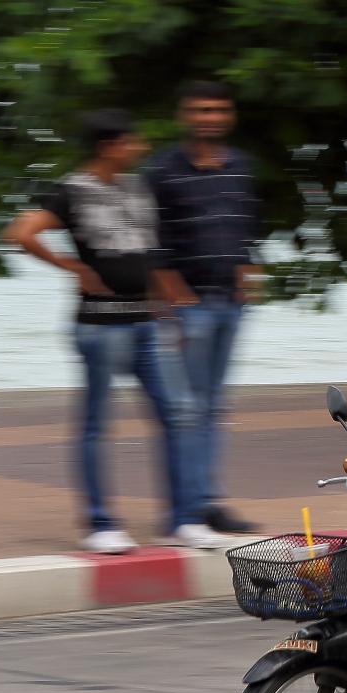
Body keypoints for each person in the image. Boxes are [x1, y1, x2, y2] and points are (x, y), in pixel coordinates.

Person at [2, 110, 227, 554]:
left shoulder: (137, 188)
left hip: (147, 325)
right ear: (107, 146)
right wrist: (71, 266)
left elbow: (151, 257)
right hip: (100, 327)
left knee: (178, 415)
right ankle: (100, 524)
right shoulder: (73, 190)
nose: (140, 147)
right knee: (96, 425)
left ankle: (182, 522)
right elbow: (21, 233)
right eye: (131, 141)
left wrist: (171, 313)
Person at [146, 81, 262, 535]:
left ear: (228, 116)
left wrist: (247, 273)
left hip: (229, 304)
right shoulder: (162, 171)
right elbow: (149, 238)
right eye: (200, 110)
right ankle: (185, 511)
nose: (208, 118)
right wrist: (170, 294)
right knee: (186, 412)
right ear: (184, 115)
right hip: (187, 308)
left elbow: (245, 225)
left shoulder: (239, 166)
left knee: (213, 408)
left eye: (216, 110)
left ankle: (207, 501)